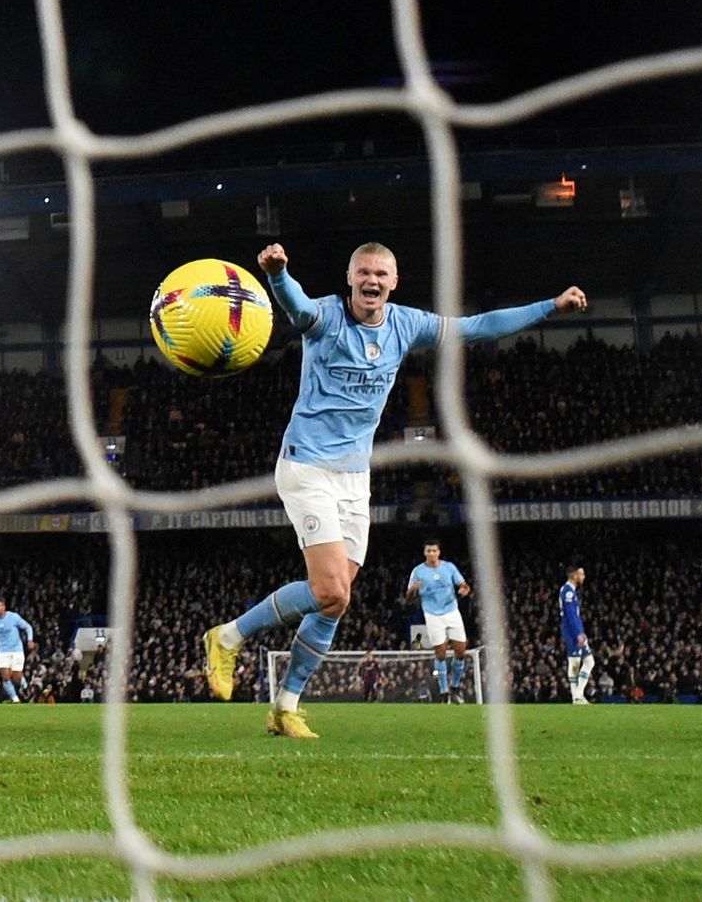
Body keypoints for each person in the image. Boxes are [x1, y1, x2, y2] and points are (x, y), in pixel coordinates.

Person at [202, 241, 587, 738]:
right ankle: (228, 636)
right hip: (307, 468)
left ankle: (285, 707)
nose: (372, 280)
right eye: (364, 271)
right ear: (350, 277)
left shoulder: (406, 324)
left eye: (382, 273)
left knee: (336, 603)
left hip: (355, 478)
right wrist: (277, 275)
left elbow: (478, 328)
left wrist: (550, 306)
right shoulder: (325, 317)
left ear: (394, 281)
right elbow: (295, 307)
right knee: (329, 589)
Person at [406, 538, 472, 703]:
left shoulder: (449, 567)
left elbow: (464, 585)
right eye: (428, 551)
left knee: (461, 651)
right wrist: (413, 589)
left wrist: (464, 590)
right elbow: (408, 597)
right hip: (433, 615)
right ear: (424, 553)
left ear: (439, 552)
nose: (431, 554)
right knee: (441, 653)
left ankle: (455, 687)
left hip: (451, 612)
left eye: (434, 551)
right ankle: (444, 692)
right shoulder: (418, 571)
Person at [561, 564, 594, 705]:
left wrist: (581, 632)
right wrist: (578, 634)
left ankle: (578, 694)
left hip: (577, 631)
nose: (584, 577)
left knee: (589, 661)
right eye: (582, 574)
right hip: (572, 632)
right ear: (574, 576)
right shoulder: (567, 591)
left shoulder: (572, 591)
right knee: (574, 663)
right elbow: (570, 615)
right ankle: (576, 696)